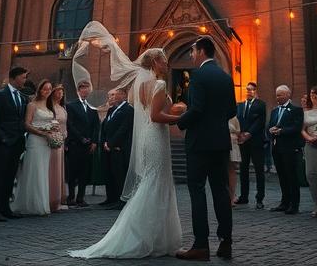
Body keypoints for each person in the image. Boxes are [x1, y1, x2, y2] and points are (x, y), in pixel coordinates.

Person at [69, 25, 183, 258]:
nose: (167, 64)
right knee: (155, 184)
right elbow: (156, 116)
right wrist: (181, 116)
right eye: (163, 60)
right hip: (157, 137)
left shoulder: (140, 84)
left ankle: (153, 237)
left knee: (153, 183)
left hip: (149, 139)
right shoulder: (158, 84)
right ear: (154, 63)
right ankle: (142, 235)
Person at [175, 36, 237, 261]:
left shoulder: (199, 75)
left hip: (199, 144)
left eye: (192, 51)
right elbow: (232, 111)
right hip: (220, 143)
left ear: (201, 51)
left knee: (197, 191)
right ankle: (226, 242)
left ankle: (201, 245)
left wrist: (179, 121)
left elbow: (197, 109)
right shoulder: (225, 76)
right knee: (221, 191)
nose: (191, 56)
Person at [0, 66, 28, 222]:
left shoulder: (23, 97)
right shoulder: (0, 95)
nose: (25, 80)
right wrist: (3, 138)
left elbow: (21, 120)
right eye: (23, 77)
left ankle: (6, 207)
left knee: (10, 176)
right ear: (14, 78)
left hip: (17, 142)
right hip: (2, 143)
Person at [12, 79, 55, 216]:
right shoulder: (32, 105)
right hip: (35, 141)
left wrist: (54, 131)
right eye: (44, 89)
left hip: (46, 143)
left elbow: (52, 123)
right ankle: (29, 204)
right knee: (33, 171)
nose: (47, 91)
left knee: (42, 172)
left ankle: (41, 204)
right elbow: (27, 124)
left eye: (49, 89)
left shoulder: (49, 106)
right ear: (39, 90)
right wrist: (43, 132)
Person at [267, 84, 304, 217]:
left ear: (288, 95)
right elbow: (269, 125)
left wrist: (281, 131)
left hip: (289, 147)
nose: (278, 97)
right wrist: (270, 130)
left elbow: (296, 127)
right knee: (282, 176)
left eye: (280, 95)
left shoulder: (296, 110)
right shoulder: (275, 111)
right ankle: (284, 201)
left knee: (291, 176)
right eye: (277, 95)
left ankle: (294, 204)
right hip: (277, 148)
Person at [64, 79, 100, 208]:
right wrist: (80, 138)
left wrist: (95, 141)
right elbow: (70, 124)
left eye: (87, 88)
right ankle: (71, 196)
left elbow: (97, 125)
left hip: (89, 145)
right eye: (82, 88)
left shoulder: (92, 106)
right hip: (75, 144)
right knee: (73, 172)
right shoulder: (71, 105)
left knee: (85, 172)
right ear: (78, 90)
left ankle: (81, 197)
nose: (85, 90)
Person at [99, 87, 134, 209]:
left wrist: (112, 143)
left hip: (119, 147)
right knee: (109, 173)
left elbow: (123, 129)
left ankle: (121, 199)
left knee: (119, 174)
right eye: (111, 95)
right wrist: (104, 142)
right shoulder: (111, 110)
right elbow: (105, 127)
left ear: (124, 95)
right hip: (108, 147)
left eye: (115, 94)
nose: (112, 97)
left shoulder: (128, 110)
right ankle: (110, 198)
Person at [234, 81, 266, 209]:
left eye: (251, 89)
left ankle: (260, 198)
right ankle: (244, 196)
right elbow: (238, 121)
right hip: (243, 142)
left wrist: (249, 133)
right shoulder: (240, 106)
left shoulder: (261, 105)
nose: (249, 92)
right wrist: (240, 134)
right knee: (243, 170)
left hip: (256, 141)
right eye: (247, 89)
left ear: (255, 91)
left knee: (259, 170)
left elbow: (260, 122)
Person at [301, 86, 317, 217]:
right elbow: (302, 129)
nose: (313, 95)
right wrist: (309, 138)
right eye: (311, 93)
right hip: (310, 144)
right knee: (311, 174)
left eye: (315, 93)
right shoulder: (306, 112)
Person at [48, 84, 68, 212]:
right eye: (58, 92)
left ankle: (57, 197)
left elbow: (65, 125)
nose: (60, 94)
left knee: (59, 169)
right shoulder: (49, 107)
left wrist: (64, 137)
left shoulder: (62, 108)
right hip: (51, 140)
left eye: (62, 92)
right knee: (51, 168)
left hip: (61, 141)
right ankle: (50, 197)